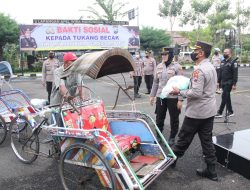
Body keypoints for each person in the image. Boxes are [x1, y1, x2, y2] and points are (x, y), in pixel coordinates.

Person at [171, 41, 218, 181]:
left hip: (197, 112)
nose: (193, 53)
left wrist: (180, 92)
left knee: (183, 139)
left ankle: (171, 162)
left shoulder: (199, 70)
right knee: (207, 141)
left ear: (201, 53)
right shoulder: (210, 66)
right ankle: (212, 171)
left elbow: (196, 93)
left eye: (195, 51)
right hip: (209, 111)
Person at [149, 47, 183, 146]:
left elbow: (182, 84)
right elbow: (155, 82)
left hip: (173, 97)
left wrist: (180, 99)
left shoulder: (177, 67)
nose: (163, 56)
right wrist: (152, 96)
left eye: (165, 54)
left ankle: (172, 137)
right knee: (159, 118)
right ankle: (159, 136)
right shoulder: (159, 66)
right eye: (162, 54)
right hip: (161, 97)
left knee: (174, 118)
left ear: (171, 55)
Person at [215, 48, 238, 118]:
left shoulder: (234, 62)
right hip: (223, 82)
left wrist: (234, 84)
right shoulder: (222, 61)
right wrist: (218, 82)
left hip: (229, 82)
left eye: (226, 52)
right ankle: (230, 112)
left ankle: (220, 112)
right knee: (227, 97)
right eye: (224, 52)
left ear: (230, 53)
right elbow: (220, 73)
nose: (224, 53)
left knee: (224, 96)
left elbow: (235, 74)